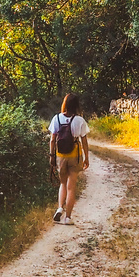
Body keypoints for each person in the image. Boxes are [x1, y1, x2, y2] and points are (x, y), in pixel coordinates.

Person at [49, 93, 90, 225]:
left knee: (62, 183)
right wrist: (86, 157)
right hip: (75, 155)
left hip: (61, 156)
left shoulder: (56, 118)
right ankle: (68, 218)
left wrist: (52, 156)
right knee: (71, 187)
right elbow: (84, 141)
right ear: (76, 105)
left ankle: (60, 207)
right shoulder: (79, 120)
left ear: (64, 104)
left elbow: (52, 139)